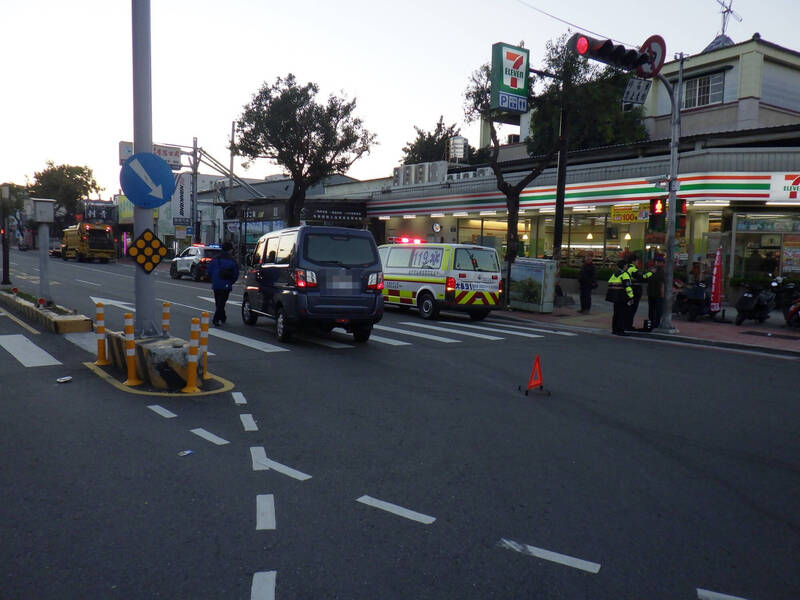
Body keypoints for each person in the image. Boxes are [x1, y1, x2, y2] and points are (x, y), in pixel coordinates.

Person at [207, 241, 239, 326]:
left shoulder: (215, 258)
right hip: (226, 284)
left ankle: (222, 317)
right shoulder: (232, 261)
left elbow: (209, 270)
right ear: (230, 250)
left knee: (218, 301)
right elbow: (235, 274)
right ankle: (216, 318)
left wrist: (213, 279)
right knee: (222, 302)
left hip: (216, 283)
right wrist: (231, 282)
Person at [625, 255, 653, 331]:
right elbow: (642, 277)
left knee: (628, 308)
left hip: (630, 290)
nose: (638, 263)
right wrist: (651, 273)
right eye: (637, 261)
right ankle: (628, 325)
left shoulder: (627, 268)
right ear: (633, 261)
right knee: (632, 308)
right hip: (634, 290)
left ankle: (626, 324)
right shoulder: (632, 269)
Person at [606, 259, 634, 336]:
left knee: (616, 314)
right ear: (624, 266)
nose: (627, 267)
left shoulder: (615, 273)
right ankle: (620, 330)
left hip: (615, 297)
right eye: (626, 265)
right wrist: (631, 297)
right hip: (623, 297)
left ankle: (615, 329)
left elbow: (610, 283)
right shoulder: (624, 274)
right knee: (622, 314)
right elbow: (628, 287)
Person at [647, 256, 666, 329]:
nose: (657, 263)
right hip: (653, 292)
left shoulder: (661, 271)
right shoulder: (653, 270)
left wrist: (662, 293)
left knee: (656, 310)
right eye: (656, 262)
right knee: (653, 310)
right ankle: (653, 323)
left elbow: (662, 283)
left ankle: (655, 324)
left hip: (656, 293)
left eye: (658, 262)